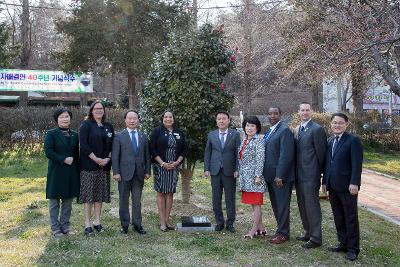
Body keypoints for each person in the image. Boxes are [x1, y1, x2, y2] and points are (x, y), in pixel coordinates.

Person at [323, 113, 363, 261]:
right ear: (331, 124)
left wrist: (355, 182)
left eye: (340, 123)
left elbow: (356, 164)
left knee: (350, 217)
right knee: (338, 216)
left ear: (346, 124)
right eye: (334, 123)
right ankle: (343, 243)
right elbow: (328, 163)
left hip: (348, 186)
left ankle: (353, 248)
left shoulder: (353, 140)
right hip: (333, 186)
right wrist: (325, 182)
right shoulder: (330, 141)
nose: (337, 125)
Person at [112, 110, 151, 235]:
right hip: (123, 174)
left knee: (137, 201)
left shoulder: (143, 136)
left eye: (135, 118)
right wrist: (116, 172)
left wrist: (147, 170)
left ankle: (137, 224)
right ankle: (124, 225)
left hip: (139, 174)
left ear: (138, 120)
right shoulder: (119, 136)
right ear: (125, 120)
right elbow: (115, 156)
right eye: (130, 118)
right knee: (123, 200)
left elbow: (147, 156)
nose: (132, 120)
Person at [79, 100, 114, 236]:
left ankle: (97, 221)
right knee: (89, 196)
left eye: (101, 108)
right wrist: (96, 159)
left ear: (104, 111)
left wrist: (107, 159)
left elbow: (112, 145)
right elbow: (84, 145)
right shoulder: (86, 125)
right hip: (89, 166)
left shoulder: (108, 126)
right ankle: (87, 223)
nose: (99, 111)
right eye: (96, 108)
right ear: (92, 111)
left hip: (104, 166)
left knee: (99, 195)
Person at [294, 102, 327, 249]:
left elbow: (322, 154)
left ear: (311, 112)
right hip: (298, 174)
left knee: (312, 205)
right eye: (302, 110)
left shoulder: (317, 129)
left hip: (311, 174)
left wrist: (320, 174)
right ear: (299, 112)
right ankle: (307, 232)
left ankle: (316, 238)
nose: (305, 112)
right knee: (302, 204)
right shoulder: (297, 129)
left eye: (307, 110)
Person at [44, 107, 80, 237]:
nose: (65, 119)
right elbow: (48, 152)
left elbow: (77, 154)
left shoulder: (75, 135)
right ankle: (55, 228)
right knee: (54, 202)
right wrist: (64, 159)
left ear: (70, 118)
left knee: (68, 202)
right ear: (57, 119)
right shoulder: (51, 134)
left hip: (71, 173)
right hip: (56, 172)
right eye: (61, 117)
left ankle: (65, 226)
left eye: (67, 116)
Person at [204, 111, 241, 233]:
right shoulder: (211, 135)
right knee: (216, 198)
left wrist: (237, 169)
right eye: (219, 119)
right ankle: (219, 222)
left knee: (230, 198)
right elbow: (208, 152)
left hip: (230, 171)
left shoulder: (235, 135)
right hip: (215, 171)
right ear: (216, 121)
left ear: (228, 120)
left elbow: (238, 153)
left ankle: (230, 223)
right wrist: (206, 168)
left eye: (223, 119)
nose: (221, 121)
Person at [150, 111, 187, 232]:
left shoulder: (179, 132)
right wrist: (162, 163)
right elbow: (152, 149)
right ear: (162, 119)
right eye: (165, 116)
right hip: (160, 166)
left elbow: (184, 150)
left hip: (174, 166)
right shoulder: (156, 131)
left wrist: (177, 162)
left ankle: (167, 220)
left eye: (170, 117)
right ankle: (162, 222)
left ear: (173, 119)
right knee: (161, 192)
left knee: (170, 192)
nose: (168, 119)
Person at [263, 107, 295, 244]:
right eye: (270, 113)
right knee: (276, 205)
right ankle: (280, 230)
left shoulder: (284, 130)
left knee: (282, 206)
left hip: (280, 178)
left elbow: (286, 155)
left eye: (275, 113)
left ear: (280, 115)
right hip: (270, 176)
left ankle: (283, 233)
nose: (272, 116)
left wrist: (280, 175)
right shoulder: (269, 131)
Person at [238, 116, 266, 239]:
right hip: (246, 177)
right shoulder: (245, 140)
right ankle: (261, 227)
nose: (249, 128)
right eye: (247, 125)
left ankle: (253, 230)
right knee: (253, 204)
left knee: (256, 203)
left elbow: (260, 159)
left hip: (255, 177)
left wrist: (258, 176)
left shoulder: (259, 140)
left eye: (252, 126)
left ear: (257, 128)